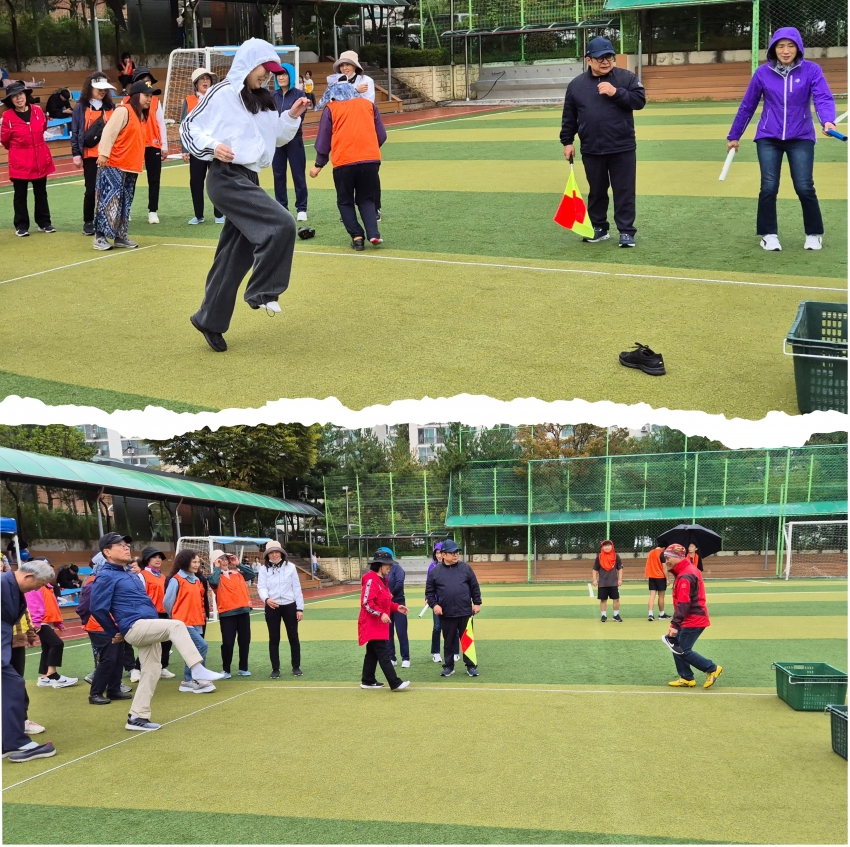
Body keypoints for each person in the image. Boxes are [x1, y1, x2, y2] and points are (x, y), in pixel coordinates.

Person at [180, 38, 311, 354]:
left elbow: (274, 138)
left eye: (271, 70)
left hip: (248, 178)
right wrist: (213, 147)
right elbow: (188, 128)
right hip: (225, 177)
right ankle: (263, 291)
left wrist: (291, 116)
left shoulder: (264, 101)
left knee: (232, 257)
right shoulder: (222, 93)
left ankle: (208, 319)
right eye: (264, 68)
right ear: (248, 64)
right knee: (282, 224)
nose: (267, 75)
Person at [89, 533, 224, 731]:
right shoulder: (106, 575)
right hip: (133, 626)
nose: (126, 547)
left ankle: (137, 717)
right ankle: (196, 669)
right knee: (176, 625)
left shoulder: (130, 574)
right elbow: (97, 608)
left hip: (147, 625)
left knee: (152, 671)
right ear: (107, 552)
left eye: (126, 544)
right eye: (120, 545)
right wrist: (114, 631)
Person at [727, 27, 836, 252]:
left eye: (790, 46)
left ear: (798, 48)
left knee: (804, 186)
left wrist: (828, 120)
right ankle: (768, 235)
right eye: (780, 46)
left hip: (801, 136)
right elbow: (747, 105)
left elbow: (823, 97)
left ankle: (814, 234)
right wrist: (734, 136)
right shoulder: (762, 73)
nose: (786, 51)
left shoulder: (812, 70)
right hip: (768, 137)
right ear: (773, 49)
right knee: (768, 187)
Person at [560, 36, 646, 248]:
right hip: (591, 148)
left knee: (624, 190)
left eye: (609, 57)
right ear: (589, 60)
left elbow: (639, 101)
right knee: (596, 191)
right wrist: (567, 141)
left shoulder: (626, 78)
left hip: (622, 147)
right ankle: (599, 227)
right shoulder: (576, 85)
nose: (606, 61)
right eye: (600, 58)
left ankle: (626, 231)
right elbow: (569, 116)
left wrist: (616, 92)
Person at [309, 80, 386, 251]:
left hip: (344, 162)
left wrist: (318, 165)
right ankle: (373, 234)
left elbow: (324, 139)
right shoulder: (368, 105)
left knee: (345, 201)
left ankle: (357, 237)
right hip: (370, 160)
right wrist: (370, 148)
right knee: (367, 199)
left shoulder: (331, 108)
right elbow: (381, 135)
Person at [2, 558, 58, 762]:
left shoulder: (13, 588)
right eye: (39, 584)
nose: (38, 589)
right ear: (28, 576)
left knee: (11, 686)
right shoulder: (3, 585)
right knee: (12, 685)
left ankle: (9, 741)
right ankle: (14, 743)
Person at [93, 78, 157, 251]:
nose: (149, 99)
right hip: (114, 164)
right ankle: (100, 237)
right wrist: (103, 154)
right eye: (146, 95)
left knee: (124, 203)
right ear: (136, 95)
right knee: (108, 201)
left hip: (131, 166)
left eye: (151, 96)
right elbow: (109, 132)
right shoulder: (123, 111)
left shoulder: (141, 115)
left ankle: (120, 236)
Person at [660, 544, 723, 689]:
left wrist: (674, 625)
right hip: (690, 617)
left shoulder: (685, 575)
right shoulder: (686, 571)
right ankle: (686, 677)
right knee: (676, 646)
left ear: (678, 557)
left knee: (683, 649)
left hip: (693, 619)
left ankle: (712, 668)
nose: (666, 561)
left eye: (668, 558)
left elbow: (684, 603)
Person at [2, 80, 56, 237]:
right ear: (10, 100)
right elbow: (5, 140)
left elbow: (42, 128)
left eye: (20, 94)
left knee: (41, 192)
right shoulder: (7, 116)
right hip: (19, 160)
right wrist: (20, 149)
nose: (18, 98)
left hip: (40, 158)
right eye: (14, 96)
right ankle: (21, 225)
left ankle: (44, 223)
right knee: (20, 194)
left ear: (25, 95)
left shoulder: (38, 111)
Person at [77, 565, 133, 706]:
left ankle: (114, 689)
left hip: (113, 624)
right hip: (100, 626)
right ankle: (95, 693)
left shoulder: (107, 581)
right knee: (108, 659)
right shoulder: (95, 583)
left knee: (118, 658)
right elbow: (84, 607)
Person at [425, 539, 481, 678]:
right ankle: (448, 667)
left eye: (457, 552)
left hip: (465, 611)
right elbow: (429, 593)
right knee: (448, 641)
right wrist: (435, 605)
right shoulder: (435, 571)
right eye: (452, 552)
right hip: (446, 613)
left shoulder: (465, 568)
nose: (456, 555)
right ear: (443, 555)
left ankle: (471, 666)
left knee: (467, 640)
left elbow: (474, 586)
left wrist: (477, 603)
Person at [70, 74, 117, 236]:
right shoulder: (80, 107)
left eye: (105, 89)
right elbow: (75, 131)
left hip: (110, 155)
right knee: (91, 190)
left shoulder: (111, 107)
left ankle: (107, 220)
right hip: (90, 156)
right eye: (99, 89)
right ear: (90, 88)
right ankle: (88, 221)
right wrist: (76, 153)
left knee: (109, 189)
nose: (103, 92)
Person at [164, 550, 215, 694]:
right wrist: (175, 617)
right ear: (185, 562)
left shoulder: (197, 580)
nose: (197, 565)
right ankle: (191, 678)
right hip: (183, 622)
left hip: (196, 621)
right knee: (202, 645)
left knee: (193, 650)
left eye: (198, 562)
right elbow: (167, 602)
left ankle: (195, 678)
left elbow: (199, 601)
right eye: (194, 562)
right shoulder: (176, 580)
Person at [359, 550, 410, 691]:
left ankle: (367, 680)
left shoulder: (383, 580)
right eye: (388, 564)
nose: (390, 567)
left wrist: (396, 607)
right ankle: (395, 682)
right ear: (379, 564)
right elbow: (366, 603)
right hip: (372, 624)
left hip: (379, 624)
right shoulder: (371, 579)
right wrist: (381, 614)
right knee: (383, 652)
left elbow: (385, 602)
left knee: (372, 652)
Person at [181, 68, 223, 225]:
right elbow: (184, 125)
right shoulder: (189, 101)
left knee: (217, 180)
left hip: (214, 147)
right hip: (196, 148)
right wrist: (185, 149)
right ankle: (198, 215)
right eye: (202, 78)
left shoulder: (218, 99)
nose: (205, 81)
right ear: (196, 83)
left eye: (208, 78)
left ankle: (219, 214)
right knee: (196, 181)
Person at [126, 67, 168, 224]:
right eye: (143, 80)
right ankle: (126, 209)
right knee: (130, 179)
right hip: (134, 144)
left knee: (154, 179)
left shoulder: (155, 101)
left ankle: (153, 211)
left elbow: (161, 123)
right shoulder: (126, 101)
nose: (146, 82)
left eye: (148, 80)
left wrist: (164, 145)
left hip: (153, 143)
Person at [256, 540, 304, 678]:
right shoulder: (263, 569)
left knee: (293, 637)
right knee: (274, 638)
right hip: (272, 606)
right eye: (271, 553)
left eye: (277, 552)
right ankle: (275, 669)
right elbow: (261, 587)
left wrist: (299, 608)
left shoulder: (291, 567)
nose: (274, 555)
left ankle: (296, 666)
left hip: (290, 605)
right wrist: (266, 599)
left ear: (282, 553)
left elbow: (297, 588)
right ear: (267, 555)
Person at [25, 571, 78, 688]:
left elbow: (51, 606)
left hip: (46, 621)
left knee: (47, 647)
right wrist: (36, 621)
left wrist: (58, 623)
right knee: (57, 644)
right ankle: (52, 675)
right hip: (41, 621)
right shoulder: (36, 587)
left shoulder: (47, 587)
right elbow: (33, 604)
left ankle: (44, 677)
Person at [130, 546, 176, 681]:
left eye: (159, 557)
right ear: (147, 560)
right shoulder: (142, 575)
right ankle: (137, 669)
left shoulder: (163, 576)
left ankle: (162, 667)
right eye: (154, 557)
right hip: (150, 614)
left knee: (167, 642)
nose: (158, 559)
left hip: (165, 613)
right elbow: (138, 595)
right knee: (150, 643)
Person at [209, 550, 255, 677]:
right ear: (215, 562)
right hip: (227, 614)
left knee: (245, 641)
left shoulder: (237, 573)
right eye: (220, 559)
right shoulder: (214, 576)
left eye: (225, 559)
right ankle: (226, 669)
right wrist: (217, 568)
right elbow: (214, 583)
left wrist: (238, 564)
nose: (224, 561)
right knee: (228, 643)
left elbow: (251, 574)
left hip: (243, 611)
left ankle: (243, 668)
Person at [272, 64, 309, 222]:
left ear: (291, 76)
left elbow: (300, 116)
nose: (281, 77)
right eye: (278, 75)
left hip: (295, 140)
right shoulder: (272, 95)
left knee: (298, 174)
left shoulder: (299, 94)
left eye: (284, 74)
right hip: (277, 141)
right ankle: (282, 208)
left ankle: (302, 208)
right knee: (278, 174)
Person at [377, 547, 410, 668]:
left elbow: (399, 583)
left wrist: (391, 594)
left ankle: (405, 658)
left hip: (398, 602)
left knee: (401, 632)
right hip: (385, 604)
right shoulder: (380, 571)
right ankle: (391, 657)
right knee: (388, 632)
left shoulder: (397, 568)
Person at [593, 540, 623, 622]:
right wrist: (595, 579)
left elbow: (620, 568)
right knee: (603, 600)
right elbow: (595, 569)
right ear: (602, 547)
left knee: (616, 599)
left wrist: (620, 579)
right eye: (605, 546)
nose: (607, 547)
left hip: (614, 582)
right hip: (603, 583)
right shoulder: (599, 557)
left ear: (612, 546)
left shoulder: (616, 556)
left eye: (609, 545)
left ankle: (616, 615)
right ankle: (603, 616)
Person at [644, 546, 671, 622]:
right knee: (661, 596)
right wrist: (667, 579)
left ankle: (650, 614)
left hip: (652, 576)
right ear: (664, 548)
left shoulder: (651, 552)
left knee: (652, 596)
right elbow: (664, 567)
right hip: (660, 577)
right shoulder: (661, 554)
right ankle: (661, 614)